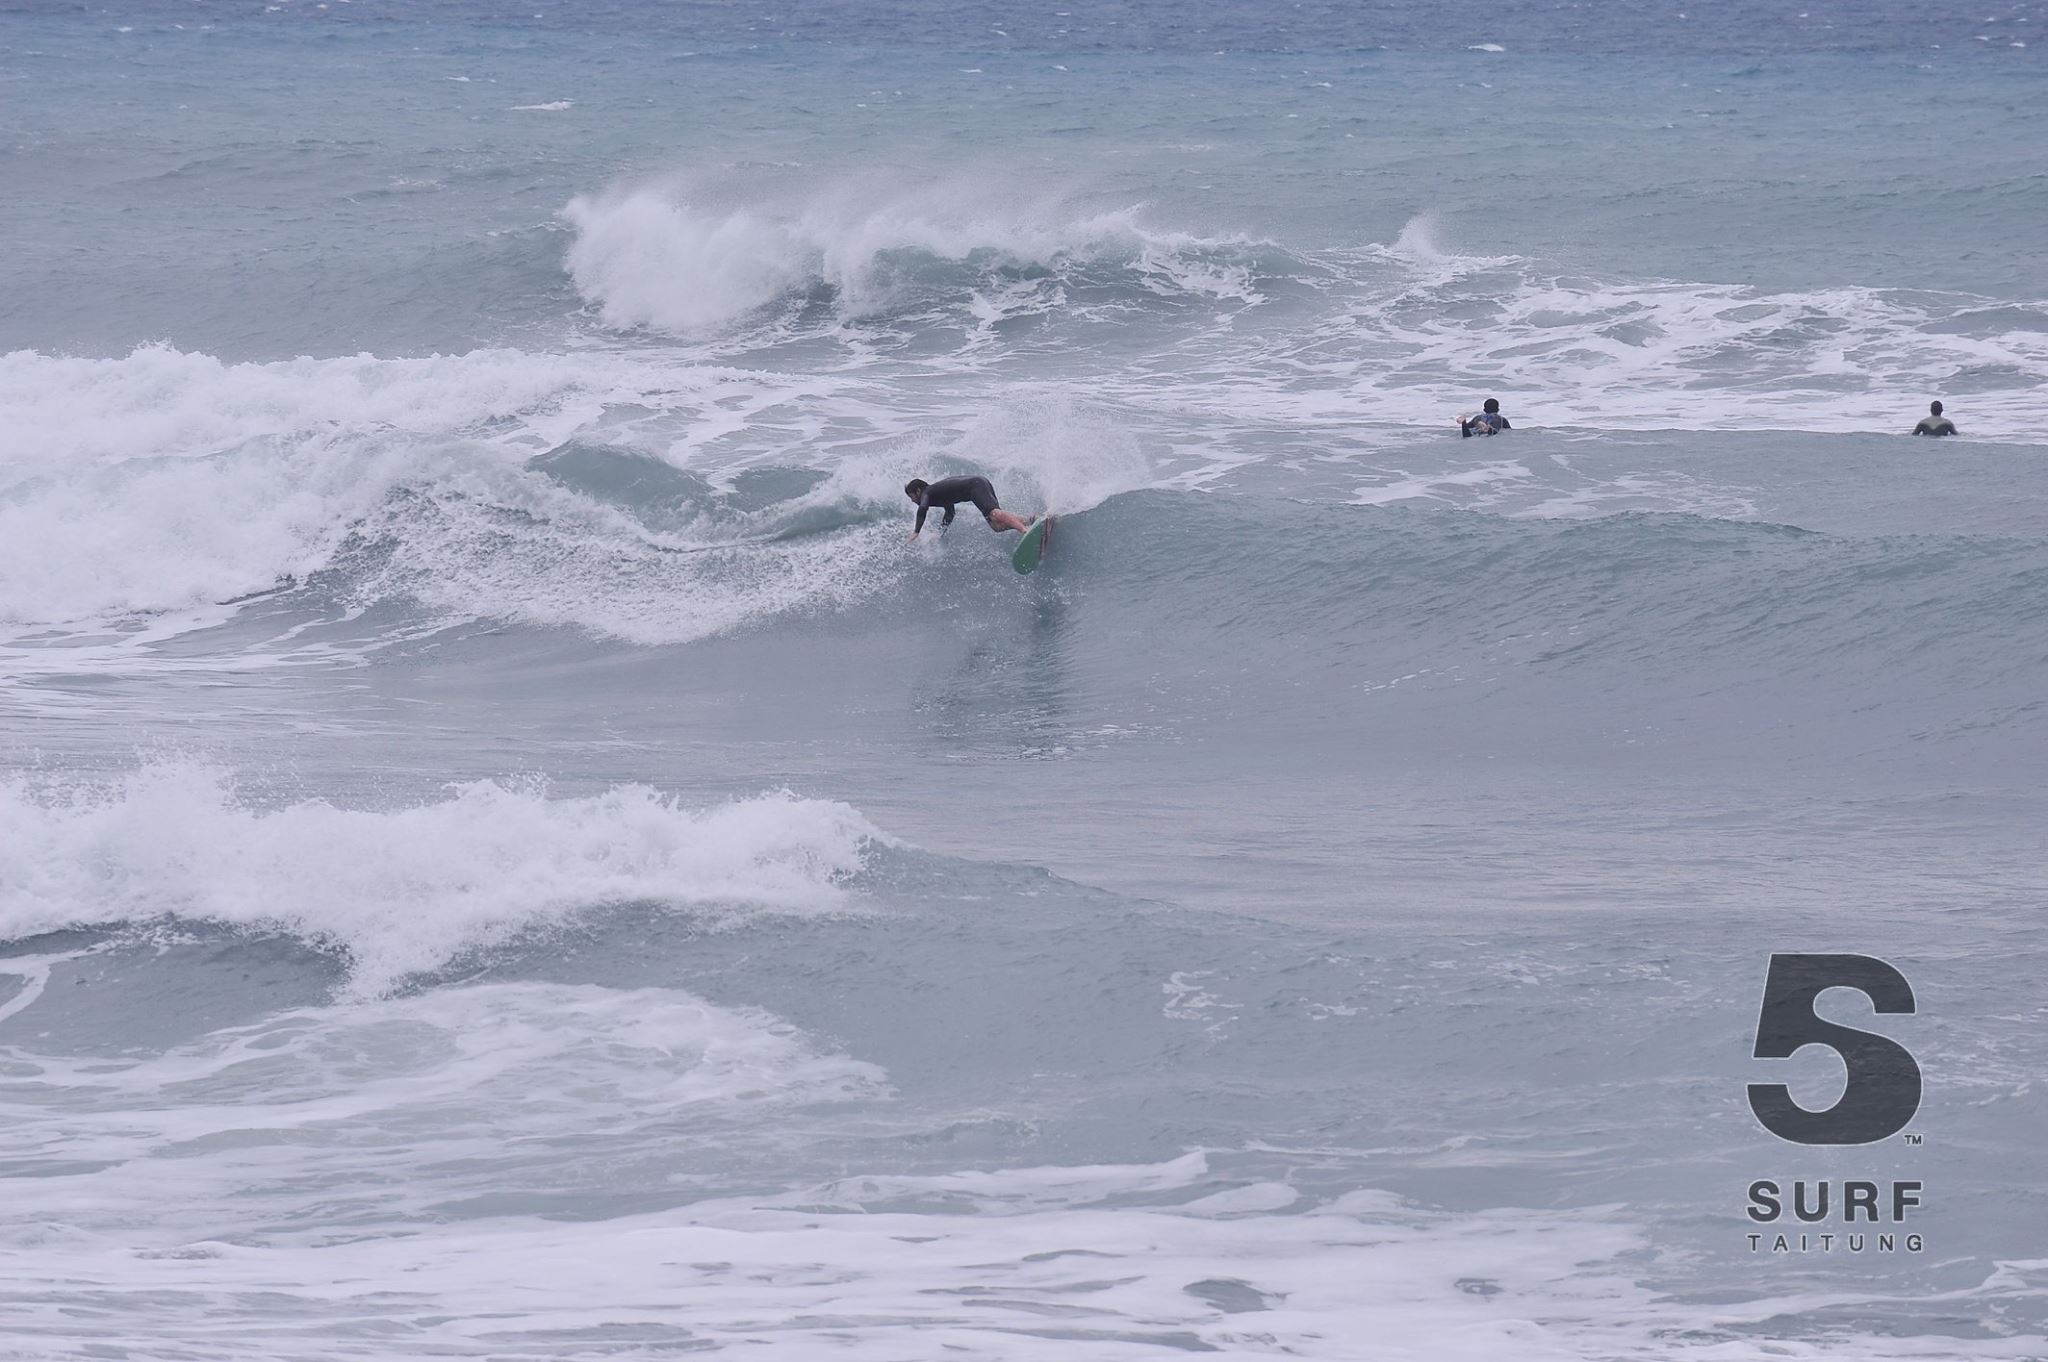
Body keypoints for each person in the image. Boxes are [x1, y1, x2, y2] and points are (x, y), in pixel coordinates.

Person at [905, 475, 1036, 539]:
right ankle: (1030, 521)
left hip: (975, 485)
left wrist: (916, 532)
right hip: (978, 483)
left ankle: (1025, 531)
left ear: (918, 491)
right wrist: (939, 533)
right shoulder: (937, 495)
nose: (912, 501)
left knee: (994, 514)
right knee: (996, 526)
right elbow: (950, 513)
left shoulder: (927, 492)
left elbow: (922, 509)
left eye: (911, 496)